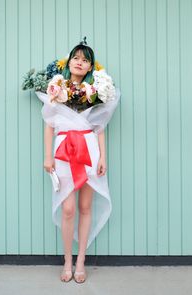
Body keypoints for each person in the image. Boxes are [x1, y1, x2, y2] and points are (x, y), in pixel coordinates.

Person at [35, 38, 120, 283]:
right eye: (76, 58)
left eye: (85, 60)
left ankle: (81, 259)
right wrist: (47, 156)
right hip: (64, 152)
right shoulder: (57, 88)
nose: (79, 63)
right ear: (69, 62)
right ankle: (67, 260)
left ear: (91, 67)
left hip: (89, 150)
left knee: (85, 208)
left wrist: (103, 156)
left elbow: (99, 126)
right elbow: (49, 126)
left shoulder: (96, 92)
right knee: (69, 208)